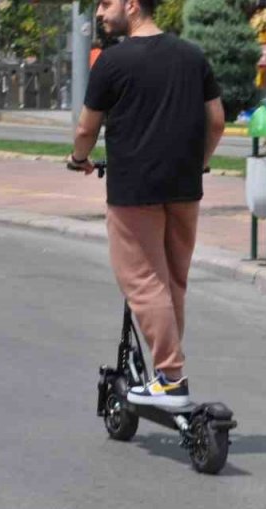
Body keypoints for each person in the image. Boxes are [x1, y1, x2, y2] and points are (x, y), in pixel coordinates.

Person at [67, 0, 225, 409]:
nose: (100, 12)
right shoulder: (192, 56)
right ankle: (165, 373)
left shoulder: (112, 62)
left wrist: (79, 159)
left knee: (141, 281)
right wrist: (200, 164)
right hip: (185, 188)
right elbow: (217, 121)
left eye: (106, 3)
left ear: (132, 5)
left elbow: (87, 127)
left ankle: (171, 377)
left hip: (135, 190)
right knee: (173, 283)